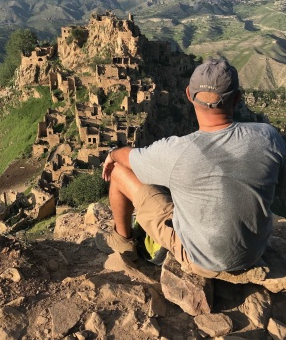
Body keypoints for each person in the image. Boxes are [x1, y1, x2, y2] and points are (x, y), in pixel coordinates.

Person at [95, 58, 286, 277]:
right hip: (253, 253)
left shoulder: (176, 150)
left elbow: (130, 158)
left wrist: (112, 154)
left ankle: (122, 242)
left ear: (188, 95)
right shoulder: (268, 137)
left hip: (200, 258)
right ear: (237, 99)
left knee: (119, 171)